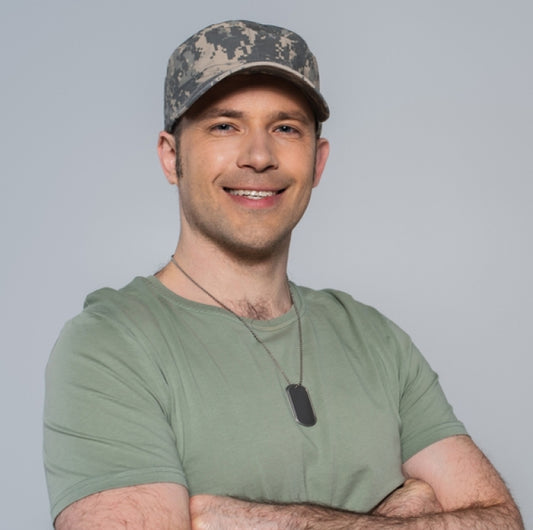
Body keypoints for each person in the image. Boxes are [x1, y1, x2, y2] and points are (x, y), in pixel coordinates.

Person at [44, 19, 523, 529]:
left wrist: (235, 517)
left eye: (286, 128)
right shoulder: (110, 344)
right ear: (171, 156)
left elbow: (501, 521)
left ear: (317, 161)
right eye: (224, 125)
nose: (258, 157)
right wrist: (410, 512)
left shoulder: (374, 338)